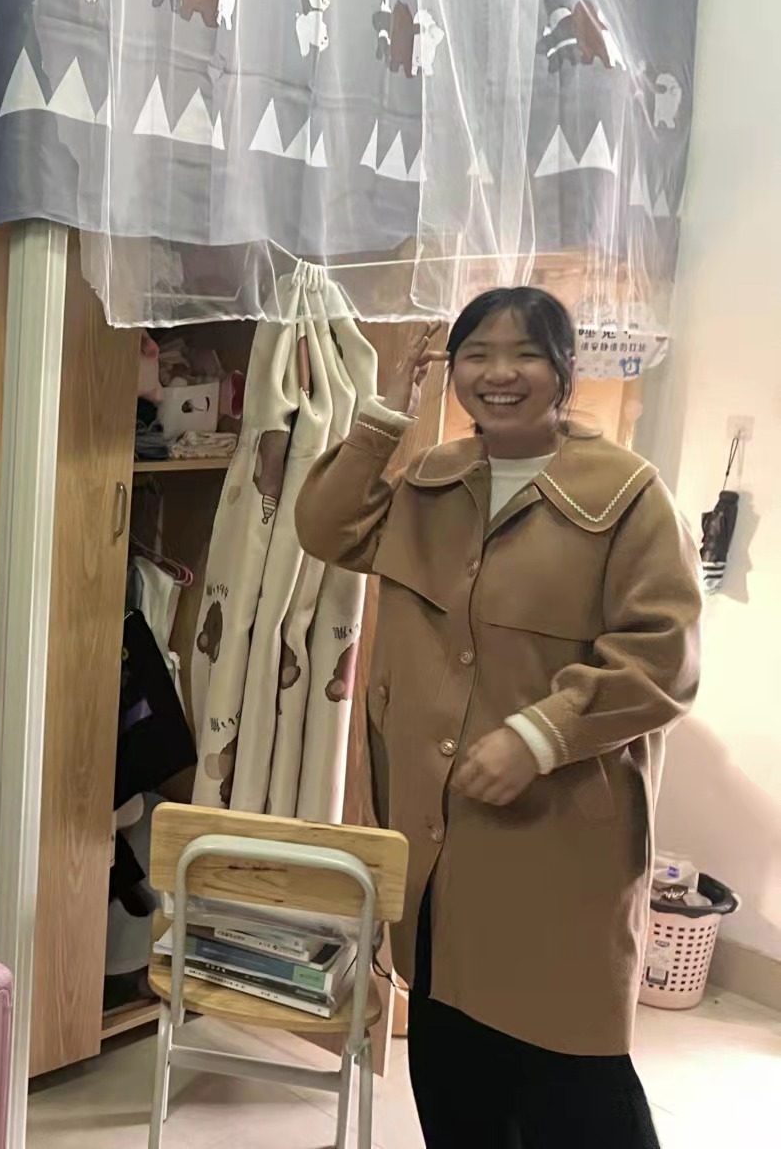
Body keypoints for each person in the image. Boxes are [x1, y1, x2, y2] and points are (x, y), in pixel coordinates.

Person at [297, 287, 701, 1148]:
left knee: (574, 1083)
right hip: (439, 835)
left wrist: (541, 733)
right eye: (476, 353)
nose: (498, 373)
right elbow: (326, 528)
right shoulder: (432, 481)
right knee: (454, 1070)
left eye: (525, 353)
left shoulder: (628, 497)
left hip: (558, 839)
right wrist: (383, 419)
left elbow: (665, 656)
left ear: (565, 369)